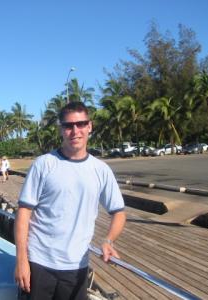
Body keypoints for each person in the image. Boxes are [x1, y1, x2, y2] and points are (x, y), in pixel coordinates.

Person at [14, 102, 126, 300]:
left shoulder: (101, 170)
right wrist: (21, 260)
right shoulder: (43, 165)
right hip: (39, 263)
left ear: (90, 126)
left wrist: (108, 241)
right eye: (68, 126)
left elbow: (118, 212)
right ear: (61, 129)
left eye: (81, 124)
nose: (75, 131)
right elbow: (24, 213)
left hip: (77, 266)